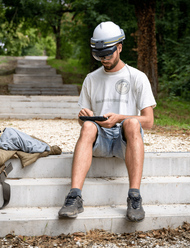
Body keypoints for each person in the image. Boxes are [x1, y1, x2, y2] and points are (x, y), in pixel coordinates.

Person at [58, 21, 157, 222]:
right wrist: (84, 117)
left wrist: (120, 118)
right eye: (99, 55)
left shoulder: (137, 77)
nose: (103, 59)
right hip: (100, 138)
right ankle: (74, 196)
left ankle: (134, 197)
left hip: (125, 140)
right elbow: (84, 124)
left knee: (131, 123)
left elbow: (148, 121)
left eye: (108, 54)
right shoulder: (91, 79)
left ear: (119, 47)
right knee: (87, 126)